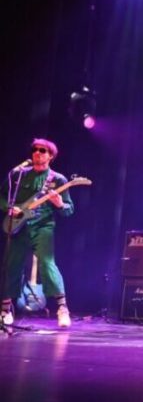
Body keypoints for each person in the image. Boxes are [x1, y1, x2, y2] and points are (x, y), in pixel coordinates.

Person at [1, 138, 74, 328]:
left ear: (51, 156)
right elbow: (2, 197)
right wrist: (10, 208)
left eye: (42, 150)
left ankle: (62, 308)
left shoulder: (58, 179)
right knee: (11, 264)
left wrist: (59, 203)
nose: (37, 153)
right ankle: (5, 309)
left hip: (43, 226)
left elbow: (69, 210)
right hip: (18, 226)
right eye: (35, 150)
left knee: (47, 263)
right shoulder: (18, 175)